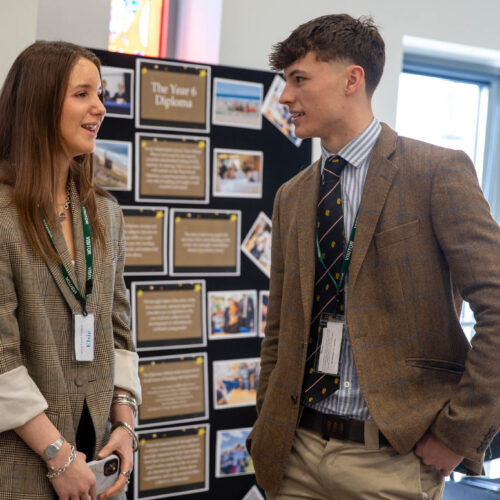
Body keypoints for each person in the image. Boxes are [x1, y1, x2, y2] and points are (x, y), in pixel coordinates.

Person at [247, 13, 500, 500]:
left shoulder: (435, 173)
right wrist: (267, 425)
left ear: (352, 80)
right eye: (285, 82)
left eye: (299, 80)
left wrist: (458, 433)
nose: (284, 97)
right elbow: (278, 328)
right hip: (295, 456)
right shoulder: (292, 196)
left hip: (392, 463)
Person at [0, 41, 142, 500]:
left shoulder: (105, 213)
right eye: (82, 94)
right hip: (20, 466)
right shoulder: (3, 214)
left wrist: (125, 425)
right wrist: (58, 455)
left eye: (100, 94)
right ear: (39, 103)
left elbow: (119, 330)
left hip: (98, 458)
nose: (100, 108)